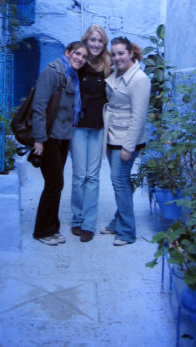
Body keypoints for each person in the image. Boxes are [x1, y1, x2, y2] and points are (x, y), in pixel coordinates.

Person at [31, 41, 88, 246]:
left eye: (84, 56)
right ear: (67, 52)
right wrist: (39, 139)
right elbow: (39, 106)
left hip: (63, 137)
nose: (80, 58)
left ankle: (51, 229)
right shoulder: (53, 72)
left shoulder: (71, 75)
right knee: (55, 183)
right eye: (77, 53)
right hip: (49, 137)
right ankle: (42, 231)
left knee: (54, 183)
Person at [101, 36, 151, 246]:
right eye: (114, 53)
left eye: (121, 53)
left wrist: (128, 147)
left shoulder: (140, 79)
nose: (117, 57)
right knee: (121, 182)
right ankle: (117, 221)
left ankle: (127, 232)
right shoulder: (115, 73)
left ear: (131, 53)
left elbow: (139, 116)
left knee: (119, 181)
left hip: (126, 140)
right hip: (113, 134)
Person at [70, 25, 111, 242]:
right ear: (86, 41)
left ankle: (88, 223)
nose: (95, 44)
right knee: (79, 177)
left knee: (92, 177)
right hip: (78, 127)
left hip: (98, 128)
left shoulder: (108, 66)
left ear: (104, 44)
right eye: (92, 40)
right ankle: (76, 219)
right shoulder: (78, 64)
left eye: (100, 41)